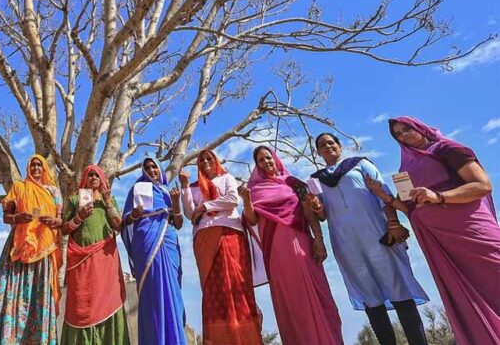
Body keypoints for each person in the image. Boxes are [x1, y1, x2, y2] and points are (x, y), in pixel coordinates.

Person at [367, 116, 500, 344]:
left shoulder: (447, 149)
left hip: (471, 230)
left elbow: (482, 185)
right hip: (439, 241)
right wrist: (384, 196)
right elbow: (410, 208)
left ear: (420, 127)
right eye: (398, 134)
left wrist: (438, 196)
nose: (403, 135)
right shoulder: (405, 169)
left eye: (406, 129)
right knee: (466, 296)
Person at [311, 133, 428, 345]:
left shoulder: (360, 164)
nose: (327, 146)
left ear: (339, 146)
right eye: (322, 145)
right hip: (347, 244)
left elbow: (382, 192)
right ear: (318, 152)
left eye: (331, 142)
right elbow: (322, 215)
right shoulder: (316, 180)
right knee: (370, 298)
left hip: (378, 235)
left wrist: (393, 223)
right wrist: (317, 207)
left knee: (399, 289)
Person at [244, 145, 342, 345]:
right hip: (276, 250)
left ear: (275, 158)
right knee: (291, 298)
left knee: (318, 292)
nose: (266, 162)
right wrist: (246, 201)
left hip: (301, 243)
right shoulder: (254, 190)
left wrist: (319, 240)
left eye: (268, 157)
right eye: (261, 160)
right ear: (257, 166)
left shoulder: (293, 183)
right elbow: (252, 220)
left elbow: (309, 213)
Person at [179, 149, 264, 345]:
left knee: (236, 284)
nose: (205, 162)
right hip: (204, 238)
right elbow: (190, 213)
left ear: (216, 160)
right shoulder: (194, 187)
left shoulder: (226, 178)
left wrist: (205, 207)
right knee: (213, 289)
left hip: (230, 233)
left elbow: (232, 200)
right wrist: (184, 186)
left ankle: (246, 337)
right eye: (201, 160)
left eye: (209, 158)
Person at [0, 155, 62, 345]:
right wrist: (17, 218)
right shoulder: (20, 187)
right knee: (14, 290)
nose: (36, 168)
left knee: (41, 293)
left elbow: (60, 219)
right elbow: (6, 216)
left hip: (44, 247)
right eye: (32, 165)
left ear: (44, 168)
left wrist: (54, 221)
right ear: (28, 168)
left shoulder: (53, 190)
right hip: (20, 247)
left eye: (39, 165)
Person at [121, 154, 186, 345]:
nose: (151, 170)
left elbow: (179, 223)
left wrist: (176, 202)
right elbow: (124, 222)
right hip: (146, 243)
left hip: (168, 241)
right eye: (147, 168)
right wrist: (134, 215)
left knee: (173, 291)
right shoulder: (137, 189)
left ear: (160, 169)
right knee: (152, 294)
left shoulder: (167, 191)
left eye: (154, 167)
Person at [61, 165, 130, 345]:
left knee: (108, 300)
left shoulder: (109, 199)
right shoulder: (75, 200)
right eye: (90, 175)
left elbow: (118, 226)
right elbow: (64, 228)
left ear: (102, 179)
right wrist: (79, 217)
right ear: (84, 178)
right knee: (82, 303)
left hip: (106, 260)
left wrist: (107, 202)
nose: (93, 178)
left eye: (97, 175)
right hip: (81, 261)